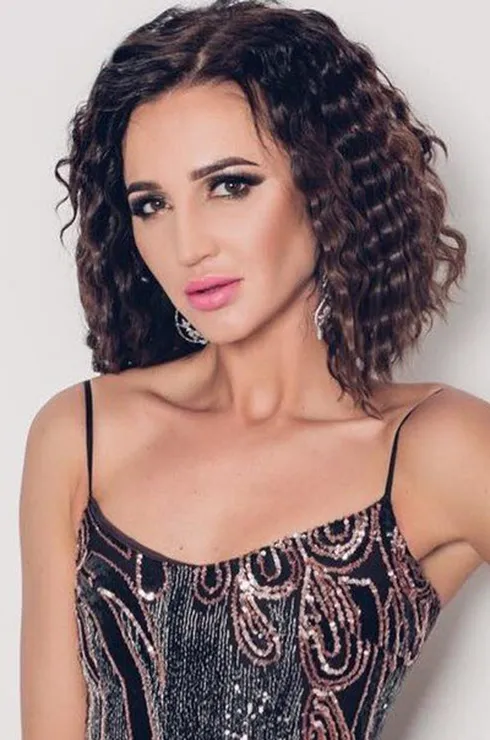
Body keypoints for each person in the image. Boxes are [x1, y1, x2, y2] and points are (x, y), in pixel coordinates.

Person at [19, 0, 490, 738]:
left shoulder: (433, 448)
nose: (188, 245)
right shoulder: (80, 436)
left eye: (230, 185)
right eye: (152, 204)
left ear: (326, 184)